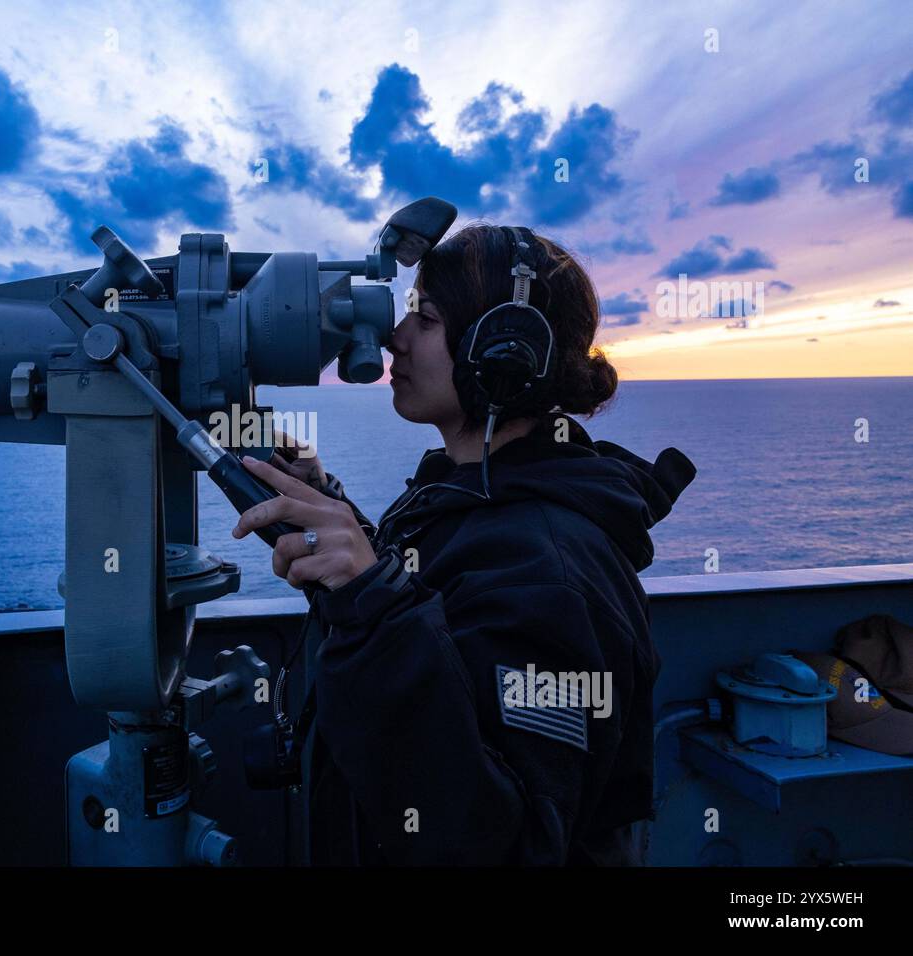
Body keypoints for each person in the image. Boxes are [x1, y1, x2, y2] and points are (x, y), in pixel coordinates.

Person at [232, 223, 697, 865]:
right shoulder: (475, 496)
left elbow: (506, 844)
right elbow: (440, 621)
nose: (396, 335)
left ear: (502, 351)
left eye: (424, 317)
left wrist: (375, 603)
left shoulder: (552, 570)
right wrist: (335, 514)